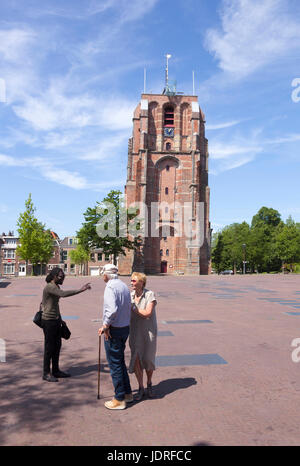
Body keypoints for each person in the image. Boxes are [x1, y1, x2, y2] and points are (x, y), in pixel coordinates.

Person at [41, 267, 91, 382]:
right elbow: (63, 294)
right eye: (60, 276)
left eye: (63, 276)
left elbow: (55, 305)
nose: (62, 278)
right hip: (48, 321)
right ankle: (46, 373)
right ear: (54, 276)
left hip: (55, 320)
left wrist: (60, 319)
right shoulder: (50, 287)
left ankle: (56, 370)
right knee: (49, 348)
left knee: (57, 346)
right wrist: (81, 289)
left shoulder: (55, 285)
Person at [98, 264, 133, 410]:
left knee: (114, 364)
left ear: (106, 274)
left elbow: (111, 310)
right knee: (120, 361)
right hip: (125, 327)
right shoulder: (123, 285)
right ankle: (127, 393)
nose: (102, 276)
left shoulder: (110, 287)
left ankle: (119, 398)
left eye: (103, 274)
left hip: (115, 329)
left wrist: (105, 326)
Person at [129, 272, 157, 400]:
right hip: (134, 332)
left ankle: (149, 383)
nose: (131, 283)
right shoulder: (129, 296)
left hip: (148, 332)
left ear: (141, 282)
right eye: (131, 281)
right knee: (136, 360)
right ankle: (140, 387)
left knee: (148, 359)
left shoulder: (150, 295)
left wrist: (134, 309)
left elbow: (147, 313)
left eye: (134, 281)